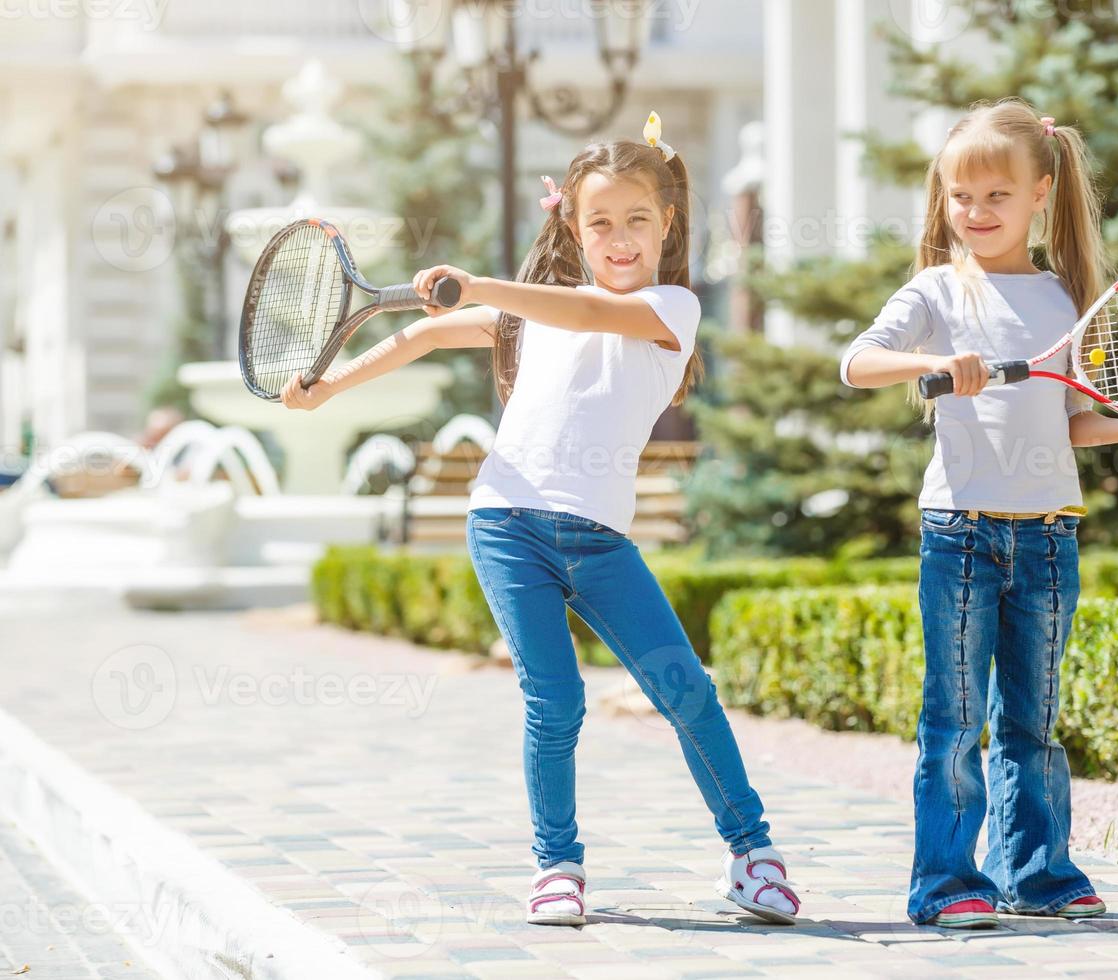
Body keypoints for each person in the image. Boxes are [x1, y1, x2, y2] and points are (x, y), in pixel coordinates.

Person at [280, 112, 800, 929]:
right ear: (572, 224)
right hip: (507, 525)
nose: (620, 237)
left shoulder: (672, 308)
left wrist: (482, 285)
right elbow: (420, 335)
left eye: (637, 219)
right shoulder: (532, 315)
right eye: (600, 222)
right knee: (554, 702)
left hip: (600, 542)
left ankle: (754, 857)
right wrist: (331, 385)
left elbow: (591, 316)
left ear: (667, 222)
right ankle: (557, 866)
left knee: (685, 691)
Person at [839, 99, 1118, 929]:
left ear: (1041, 191)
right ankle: (945, 884)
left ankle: (1036, 876)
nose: (976, 213)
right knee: (955, 721)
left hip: (1048, 535)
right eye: (960, 197)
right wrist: (937, 363)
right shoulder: (935, 288)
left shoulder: (1068, 300)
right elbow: (857, 362)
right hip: (960, 536)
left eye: (996, 196)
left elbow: (1072, 419)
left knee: (1033, 722)